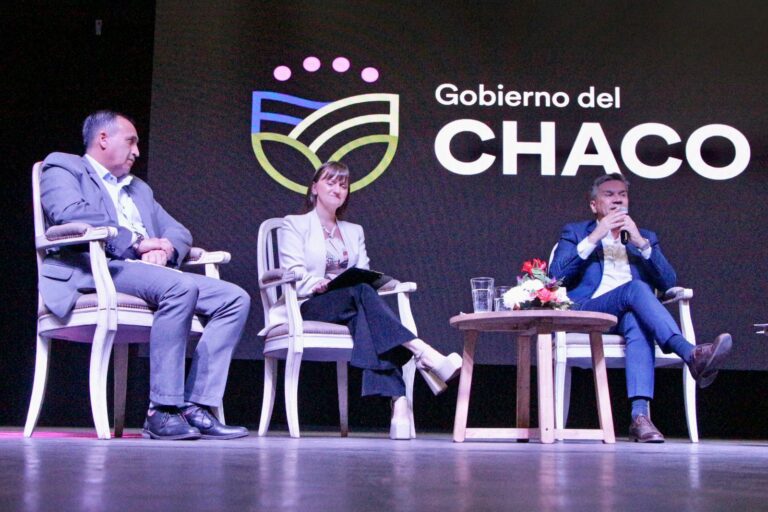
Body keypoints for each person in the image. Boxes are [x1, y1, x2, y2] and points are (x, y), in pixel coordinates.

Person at [39, 110, 251, 440]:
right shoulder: (64, 166)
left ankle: (195, 406)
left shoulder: (138, 189)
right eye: (131, 141)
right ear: (103, 139)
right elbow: (69, 213)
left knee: (234, 298)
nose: (137, 151)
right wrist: (137, 243)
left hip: (145, 273)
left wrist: (165, 249)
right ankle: (161, 410)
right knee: (180, 286)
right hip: (92, 269)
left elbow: (178, 231)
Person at [268, 161, 462, 440]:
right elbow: (293, 273)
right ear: (314, 188)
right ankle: (422, 352)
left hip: (350, 303)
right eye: (330, 182)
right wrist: (319, 283)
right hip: (308, 304)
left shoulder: (353, 230)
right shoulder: (294, 224)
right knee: (361, 293)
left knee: (365, 310)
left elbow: (364, 272)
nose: (337, 189)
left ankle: (399, 402)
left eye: (343, 185)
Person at [549, 173, 732, 443]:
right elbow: (555, 276)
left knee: (638, 320)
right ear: (594, 205)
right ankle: (690, 353)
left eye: (622, 195)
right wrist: (596, 236)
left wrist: (641, 244)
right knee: (635, 288)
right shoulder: (575, 232)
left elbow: (668, 282)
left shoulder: (644, 236)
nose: (617, 200)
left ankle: (640, 417)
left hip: (625, 316)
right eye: (609, 194)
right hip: (589, 311)